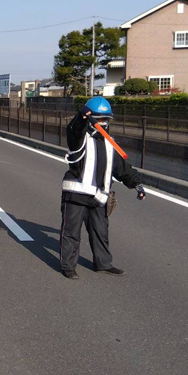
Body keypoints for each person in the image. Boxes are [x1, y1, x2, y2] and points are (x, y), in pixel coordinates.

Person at [59, 96, 146, 279]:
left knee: (100, 232)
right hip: (76, 194)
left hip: (99, 197)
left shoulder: (109, 142)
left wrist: (137, 183)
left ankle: (103, 264)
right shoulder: (80, 138)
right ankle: (68, 267)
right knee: (71, 233)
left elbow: (121, 167)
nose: (102, 123)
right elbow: (74, 130)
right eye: (98, 119)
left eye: (105, 119)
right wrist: (80, 117)